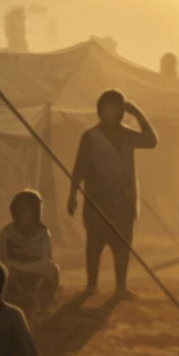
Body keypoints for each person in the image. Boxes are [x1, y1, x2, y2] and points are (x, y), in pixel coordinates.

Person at [67, 90, 157, 297]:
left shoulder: (127, 135)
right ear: (100, 109)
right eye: (107, 106)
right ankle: (91, 285)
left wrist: (137, 113)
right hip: (96, 199)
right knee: (94, 244)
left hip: (123, 201)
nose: (110, 110)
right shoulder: (90, 137)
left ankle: (120, 287)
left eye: (115, 106)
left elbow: (152, 141)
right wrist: (72, 194)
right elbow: (79, 167)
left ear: (121, 111)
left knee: (122, 247)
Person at [0, 189, 60, 314]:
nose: (24, 213)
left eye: (28, 209)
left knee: (53, 269)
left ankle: (43, 304)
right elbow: (4, 260)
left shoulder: (43, 233)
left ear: (36, 212)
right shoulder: (7, 233)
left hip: (35, 270)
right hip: (13, 271)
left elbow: (45, 260)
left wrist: (25, 267)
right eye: (21, 209)